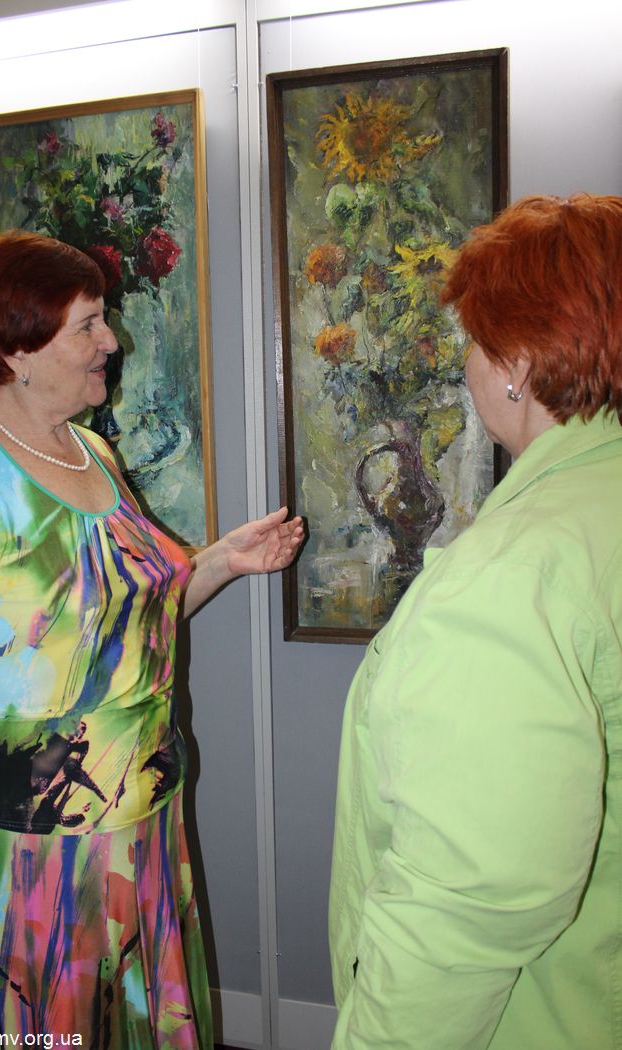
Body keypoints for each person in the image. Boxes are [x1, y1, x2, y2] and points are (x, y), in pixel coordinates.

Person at [0, 230, 303, 1047]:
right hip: (28, 860)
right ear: (17, 349)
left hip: (140, 826)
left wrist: (222, 561)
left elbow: (125, 625)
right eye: (88, 325)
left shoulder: (91, 451)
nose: (112, 341)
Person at [328, 194, 622, 1049]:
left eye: (473, 338)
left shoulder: (511, 576)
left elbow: (462, 908)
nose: (466, 362)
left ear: (516, 362)